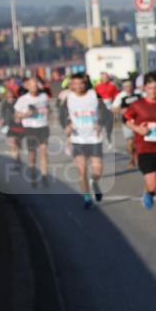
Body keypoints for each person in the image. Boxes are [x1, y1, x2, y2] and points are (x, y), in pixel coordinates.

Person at [123, 72, 156, 225]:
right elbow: (126, 119)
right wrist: (137, 129)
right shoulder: (137, 105)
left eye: (155, 88)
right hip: (145, 149)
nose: (153, 91)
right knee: (152, 184)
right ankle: (148, 192)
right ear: (144, 88)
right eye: (150, 88)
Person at [64, 72, 105, 209]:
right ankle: (87, 197)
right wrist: (68, 126)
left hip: (94, 138)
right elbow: (64, 115)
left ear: (85, 83)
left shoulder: (94, 95)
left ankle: (94, 182)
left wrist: (100, 123)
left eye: (80, 83)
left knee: (97, 171)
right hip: (78, 139)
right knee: (81, 171)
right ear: (71, 85)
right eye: (75, 84)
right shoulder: (69, 98)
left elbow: (105, 111)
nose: (78, 86)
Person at [14, 76, 51, 187]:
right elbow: (16, 116)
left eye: (36, 85)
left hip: (43, 127)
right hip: (30, 129)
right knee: (32, 154)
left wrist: (47, 112)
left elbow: (48, 108)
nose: (34, 87)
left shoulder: (44, 96)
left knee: (43, 152)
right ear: (28, 86)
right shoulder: (22, 99)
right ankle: (33, 173)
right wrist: (27, 114)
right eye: (32, 85)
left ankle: (44, 176)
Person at [111, 80, 142, 168]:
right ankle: (132, 158)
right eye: (126, 86)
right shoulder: (120, 96)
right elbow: (113, 108)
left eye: (130, 86)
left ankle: (138, 158)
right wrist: (120, 110)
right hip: (128, 122)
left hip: (140, 121)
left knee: (140, 142)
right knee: (130, 142)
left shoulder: (139, 93)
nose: (129, 88)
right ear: (123, 88)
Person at [0, 89, 23, 163]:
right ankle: (14, 160)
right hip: (8, 125)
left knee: (18, 143)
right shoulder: (4, 103)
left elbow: (21, 111)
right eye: (8, 94)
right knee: (12, 142)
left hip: (17, 124)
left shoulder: (17, 102)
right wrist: (1, 120)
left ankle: (18, 157)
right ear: (6, 95)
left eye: (11, 94)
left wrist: (19, 117)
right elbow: (2, 113)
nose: (9, 96)